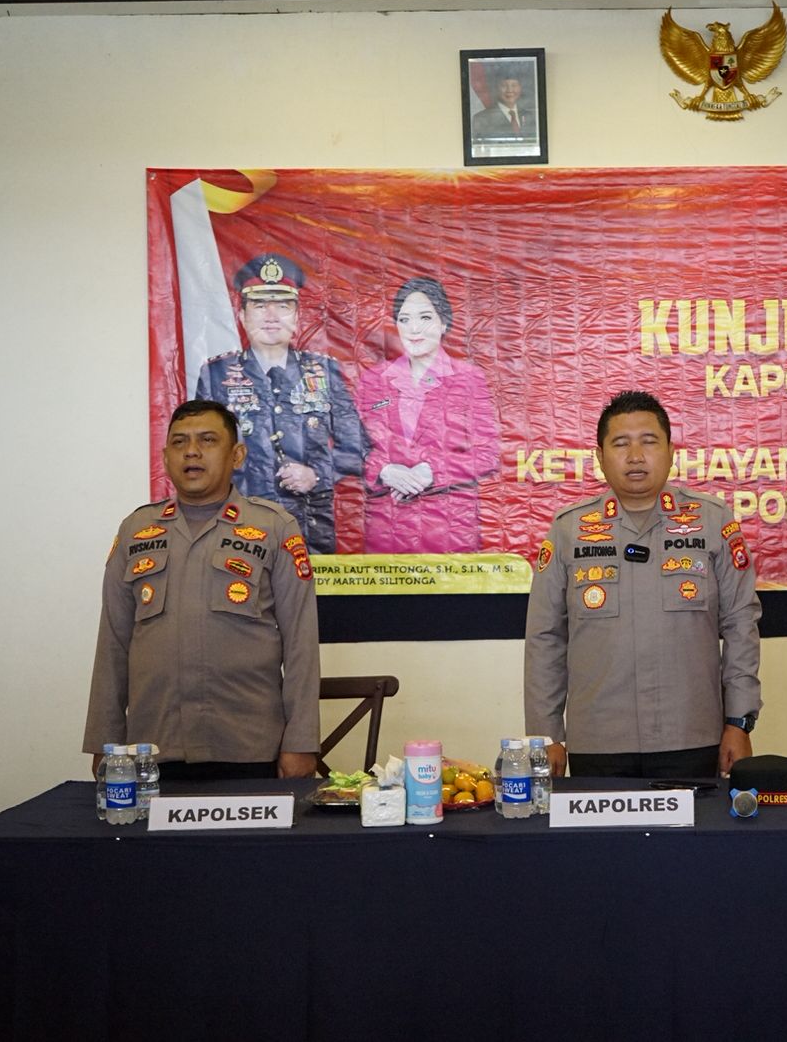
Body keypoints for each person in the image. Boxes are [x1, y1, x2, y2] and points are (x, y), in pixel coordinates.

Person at [524, 390, 761, 779]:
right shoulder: (569, 530)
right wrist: (546, 735)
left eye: (649, 441)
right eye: (621, 443)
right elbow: (545, 638)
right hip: (599, 739)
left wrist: (739, 720)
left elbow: (740, 625)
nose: (635, 456)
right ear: (600, 457)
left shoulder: (712, 521)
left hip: (692, 734)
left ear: (671, 451)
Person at [83, 399, 321, 780]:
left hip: (249, 748)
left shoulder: (274, 528)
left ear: (237, 455)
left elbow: (301, 646)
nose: (191, 452)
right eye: (179, 442)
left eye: (208, 440)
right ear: (166, 457)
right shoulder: (136, 531)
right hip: (153, 751)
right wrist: (104, 741)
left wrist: (302, 741)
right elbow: (113, 643)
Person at [194, 253, 367, 555]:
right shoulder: (216, 374)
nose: (271, 316)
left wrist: (317, 474)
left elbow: (356, 447)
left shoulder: (324, 372)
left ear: (297, 317)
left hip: (309, 527)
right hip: (237, 525)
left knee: (308, 587)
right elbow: (201, 451)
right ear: (242, 315)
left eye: (283, 305)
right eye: (260, 305)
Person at [355, 277, 503, 553]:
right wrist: (383, 470)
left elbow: (488, 454)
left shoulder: (468, 378)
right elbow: (351, 448)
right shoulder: (373, 379)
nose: (414, 328)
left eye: (425, 317)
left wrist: (431, 471)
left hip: (449, 529)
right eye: (404, 319)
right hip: (387, 529)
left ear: (444, 322)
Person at [472, 74, 537, 141]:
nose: (509, 90)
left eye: (514, 85)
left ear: (520, 88)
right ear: (496, 89)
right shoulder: (482, 119)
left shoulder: (529, 116)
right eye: (504, 86)